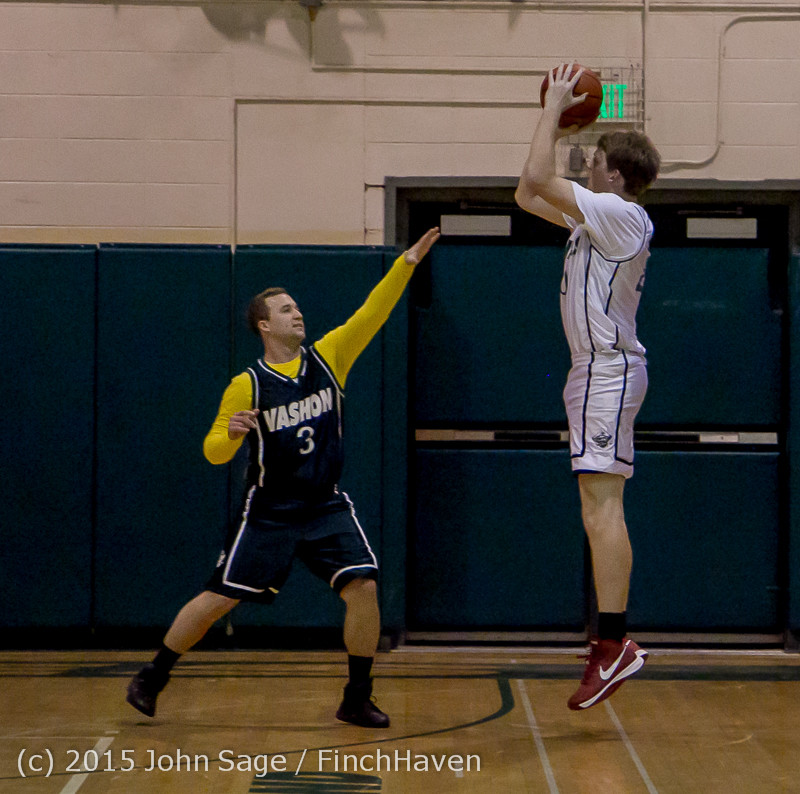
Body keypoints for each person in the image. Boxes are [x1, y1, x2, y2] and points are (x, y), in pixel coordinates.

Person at [126, 227, 441, 728]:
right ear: (264, 326)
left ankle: (357, 696)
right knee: (219, 599)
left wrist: (404, 265)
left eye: (297, 308)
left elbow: (371, 314)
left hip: (324, 505)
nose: (298, 314)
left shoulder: (330, 357)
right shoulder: (245, 385)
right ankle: (153, 675)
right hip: (270, 510)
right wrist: (229, 434)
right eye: (287, 310)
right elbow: (213, 453)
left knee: (363, 585)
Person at [515, 63, 661, 710]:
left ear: (616, 176)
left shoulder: (623, 216)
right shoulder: (591, 225)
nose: (587, 160)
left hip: (608, 367)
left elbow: (543, 176)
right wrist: (549, 113)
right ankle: (610, 642)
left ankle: (616, 643)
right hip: (591, 372)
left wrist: (555, 105)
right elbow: (526, 190)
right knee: (594, 506)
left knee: (603, 508)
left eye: (595, 157)